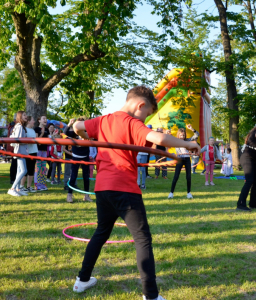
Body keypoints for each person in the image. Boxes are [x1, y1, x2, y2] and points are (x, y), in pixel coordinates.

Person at [71, 85, 200, 300]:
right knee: (142, 239)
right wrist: (188, 144)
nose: (145, 118)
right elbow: (158, 139)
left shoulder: (103, 120)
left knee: (101, 232)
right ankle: (151, 296)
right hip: (124, 188)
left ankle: (82, 281)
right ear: (140, 104)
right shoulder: (132, 122)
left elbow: (76, 126)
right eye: (147, 112)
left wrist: (89, 136)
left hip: (102, 187)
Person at [168, 124, 199, 200]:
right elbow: (168, 139)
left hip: (187, 158)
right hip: (179, 159)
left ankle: (189, 193)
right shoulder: (176, 141)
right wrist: (167, 133)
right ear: (178, 135)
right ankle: (171, 193)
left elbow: (197, 135)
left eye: (183, 135)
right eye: (181, 135)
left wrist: (191, 128)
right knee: (176, 176)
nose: (182, 137)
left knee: (188, 177)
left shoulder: (187, 140)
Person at [67, 118, 91, 203]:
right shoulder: (73, 133)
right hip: (76, 156)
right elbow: (65, 132)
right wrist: (70, 123)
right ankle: (69, 195)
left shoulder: (87, 133)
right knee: (73, 176)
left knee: (86, 177)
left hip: (85, 156)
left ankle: (86, 196)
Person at [7, 111, 29, 197]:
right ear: (20, 116)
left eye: (26, 114)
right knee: (24, 170)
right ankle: (12, 188)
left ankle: (18, 189)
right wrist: (28, 140)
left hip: (22, 151)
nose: (26, 116)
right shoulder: (19, 126)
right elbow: (18, 140)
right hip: (20, 151)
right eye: (24, 115)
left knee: (19, 171)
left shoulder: (21, 126)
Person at [20, 116, 38, 193]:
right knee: (25, 170)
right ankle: (21, 186)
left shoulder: (33, 130)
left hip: (34, 151)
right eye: (33, 120)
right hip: (27, 152)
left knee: (31, 170)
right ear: (28, 121)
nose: (34, 121)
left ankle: (29, 186)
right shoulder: (24, 130)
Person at [34, 116, 49, 191]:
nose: (45, 120)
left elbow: (49, 140)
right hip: (38, 150)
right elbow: (37, 142)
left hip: (44, 151)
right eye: (43, 118)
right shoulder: (36, 129)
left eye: (46, 119)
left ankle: (43, 184)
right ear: (39, 120)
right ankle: (36, 184)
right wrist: (42, 134)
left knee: (43, 168)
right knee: (38, 168)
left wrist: (54, 135)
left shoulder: (47, 129)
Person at [63, 119, 77, 191]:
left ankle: (74, 184)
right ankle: (66, 185)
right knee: (67, 172)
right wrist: (69, 124)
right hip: (68, 156)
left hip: (75, 157)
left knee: (74, 171)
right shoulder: (66, 138)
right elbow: (64, 149)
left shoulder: (76, 135)